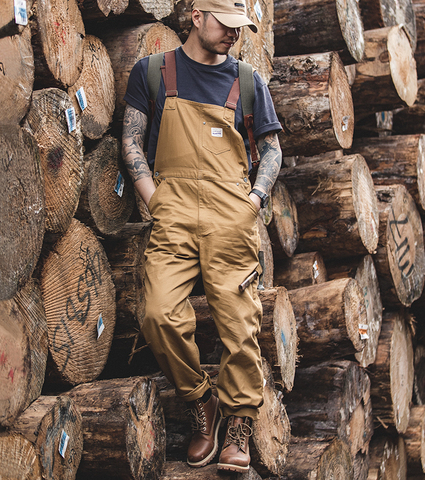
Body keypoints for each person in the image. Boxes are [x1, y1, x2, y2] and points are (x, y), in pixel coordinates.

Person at [122, 0, 282, 473]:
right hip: (171, 211)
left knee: (239, 325)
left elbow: (272, 150)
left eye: (240, 27)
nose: (234, 34)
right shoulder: (152, 72)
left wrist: (251, 202)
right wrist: (153, 196)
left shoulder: (249, 82)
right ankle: (200, 400)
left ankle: (238, 425)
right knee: (157, 313)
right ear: (195, 17)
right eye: (225, 24)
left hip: (230, 214)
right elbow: (131, 139)